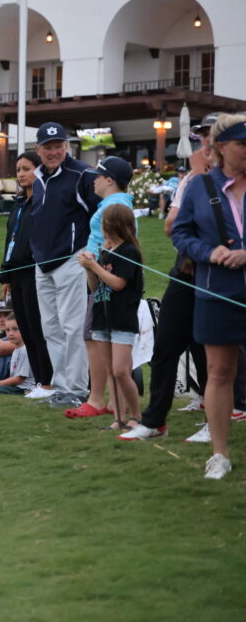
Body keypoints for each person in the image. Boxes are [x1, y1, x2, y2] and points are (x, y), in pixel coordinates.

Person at [122, 114, 222, 443]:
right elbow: (172, 227)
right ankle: (154, 421)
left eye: (211, 137)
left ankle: (215, 421)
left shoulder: (228, 181)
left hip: (219, 275)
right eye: (203, 137)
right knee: (165, 347)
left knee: (212, 352)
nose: (205, 144)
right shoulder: (193, 179)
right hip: (186, 270)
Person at [170, 112, 246, 479]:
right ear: (221, 147)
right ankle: (219, 454)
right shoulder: (200, 186)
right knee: (218, 371)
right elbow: (180, 233)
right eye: (242, 145)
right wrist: (207, 252)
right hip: (216, 291)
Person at [28, 121, 101, 409]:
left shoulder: (81, 174)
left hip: (72, 258)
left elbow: (99, 215)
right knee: (52, 328)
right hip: (43, 263)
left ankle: (77, 389)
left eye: (58, 145)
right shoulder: (38, 178)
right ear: (38, 149)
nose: (53, 151)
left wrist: (91, 253)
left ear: (66, 146)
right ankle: (61, 386)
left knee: (72, 327)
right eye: (47, 147)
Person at [67, 156, 135, 419]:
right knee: (101, 339)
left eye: (98, 176)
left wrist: (92, 266)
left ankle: (96, 399)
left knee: (95, 339)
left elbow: (119, 246)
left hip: (106, 279)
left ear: (109, 180)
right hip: (99, 275)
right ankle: (114, 402)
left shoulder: (115, 205)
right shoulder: (113, 204)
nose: (93, 180)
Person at [78, 204, 144, 432]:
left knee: (120, 370)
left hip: (121, 318)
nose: (102, 228)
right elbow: (95, 287)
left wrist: (94, 265)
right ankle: (119, 418)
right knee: (110, 372)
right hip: (101, 317)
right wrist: (89, 269)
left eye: (104, 222)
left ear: (113, 224)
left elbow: (118, 283)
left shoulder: (129, 252)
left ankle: (136, 415)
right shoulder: (107, 252)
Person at [0, 151, 54, 398]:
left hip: (36, 272)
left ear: (38, 170)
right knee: (26, 329)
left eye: (26, 168)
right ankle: (39, 381)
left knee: (37, 328)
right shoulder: (19, 204)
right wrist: (6, 275)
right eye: (18, 170)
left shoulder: (44, 201)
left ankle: (48, 381)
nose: (21, 174)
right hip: (17, 273)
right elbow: (10, 239)